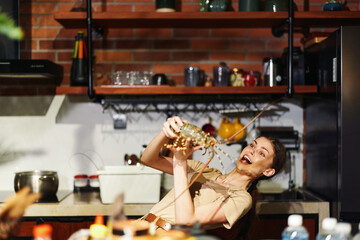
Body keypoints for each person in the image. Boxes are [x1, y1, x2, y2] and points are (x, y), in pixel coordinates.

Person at [140, 116, 286, 237]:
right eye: (253, 146)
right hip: (141, 226)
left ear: (268, 171)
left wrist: (180, 162)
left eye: (262, 153)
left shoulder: (241, 199)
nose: (252, 151)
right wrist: (166, 132)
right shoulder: (204, 170)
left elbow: (185, 221)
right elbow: (148, 159)